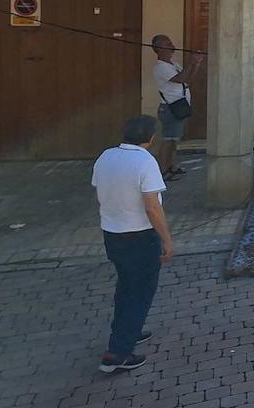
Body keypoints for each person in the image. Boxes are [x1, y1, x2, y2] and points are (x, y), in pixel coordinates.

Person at [91, 115, 174, 373]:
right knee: (140, 292)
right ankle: (118, 353)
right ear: (151, 138)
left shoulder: (106, 156)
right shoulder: (145, 161)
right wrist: (166, 239)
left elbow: (99, 190)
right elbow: (152, 205)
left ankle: (129, 330)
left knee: (126, 286)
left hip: (113, 234)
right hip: (139, 235)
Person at [150, 34, 203, 180]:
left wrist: (196, 64)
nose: (171, 44)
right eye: (167, 43)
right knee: (167, 140)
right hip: (170, 109)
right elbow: (180, 79)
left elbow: (188, 81)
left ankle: (170, 166)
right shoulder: (160, 67)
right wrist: (191, 64)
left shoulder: (173, 65)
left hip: (179, 107)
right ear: (158, 48)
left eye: (170, 41)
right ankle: (163, 171)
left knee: (173, 140)